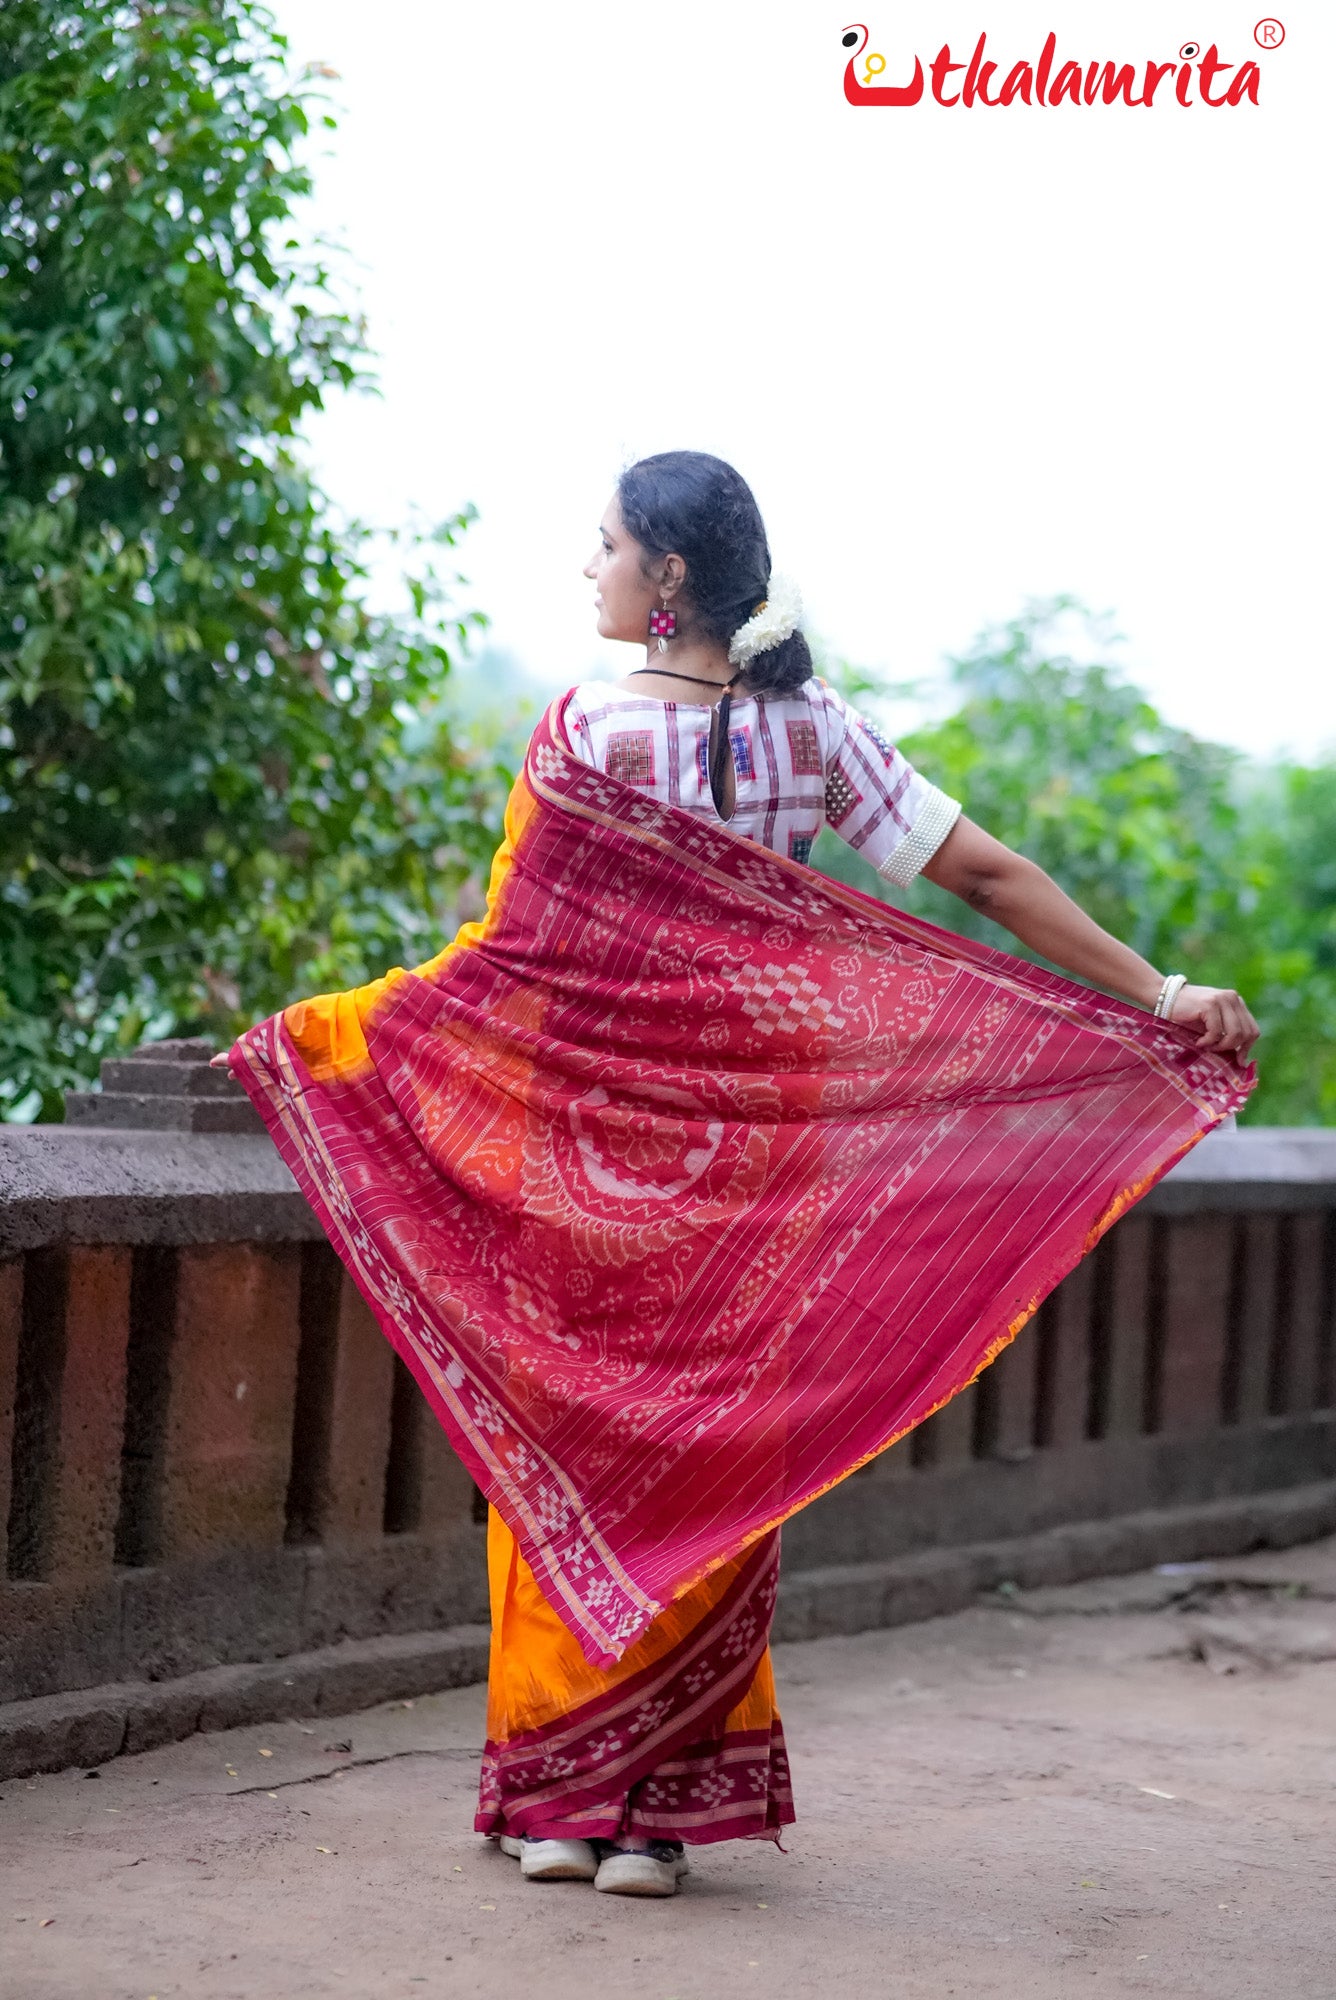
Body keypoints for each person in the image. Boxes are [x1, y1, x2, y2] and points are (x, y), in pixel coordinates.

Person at [219, 451, 1258, 1901]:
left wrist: (337, 1039)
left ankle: (563, 1808)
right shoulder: (810, 727)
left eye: (604, 547)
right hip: (763, 1173)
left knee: (571, 1463)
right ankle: (657, 1822)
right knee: (710, 1468)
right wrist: (1157, 994)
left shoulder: (583, 730)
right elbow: (986, 879)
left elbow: (506, 963)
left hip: (584, 1169)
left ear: (668, 581)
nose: (587, 569)